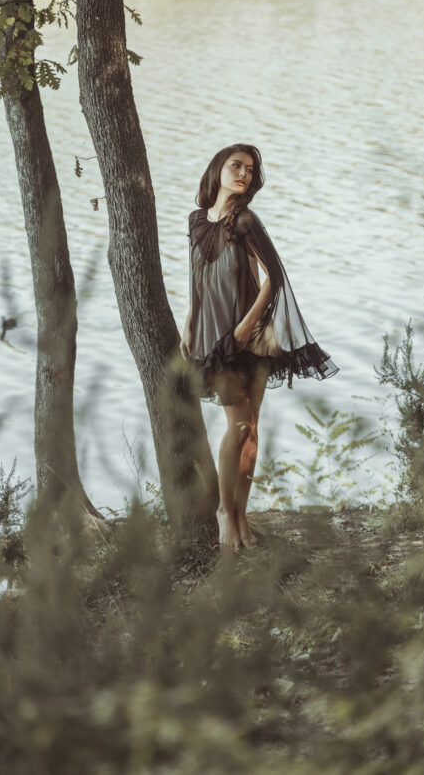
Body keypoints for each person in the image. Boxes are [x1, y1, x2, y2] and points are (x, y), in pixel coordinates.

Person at [180, 143, 339, 551]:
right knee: (239, 426)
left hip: (251, 338)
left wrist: (245, 328)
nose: (244, 174)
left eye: (250, 170)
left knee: (249, 429)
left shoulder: (245, 220)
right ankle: (223, 514)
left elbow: (275, 277)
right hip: (215, 340)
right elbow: (198, 283)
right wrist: (189, 327)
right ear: (217, 168)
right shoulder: (197, 221)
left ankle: (239, 517)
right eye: (236, 166)